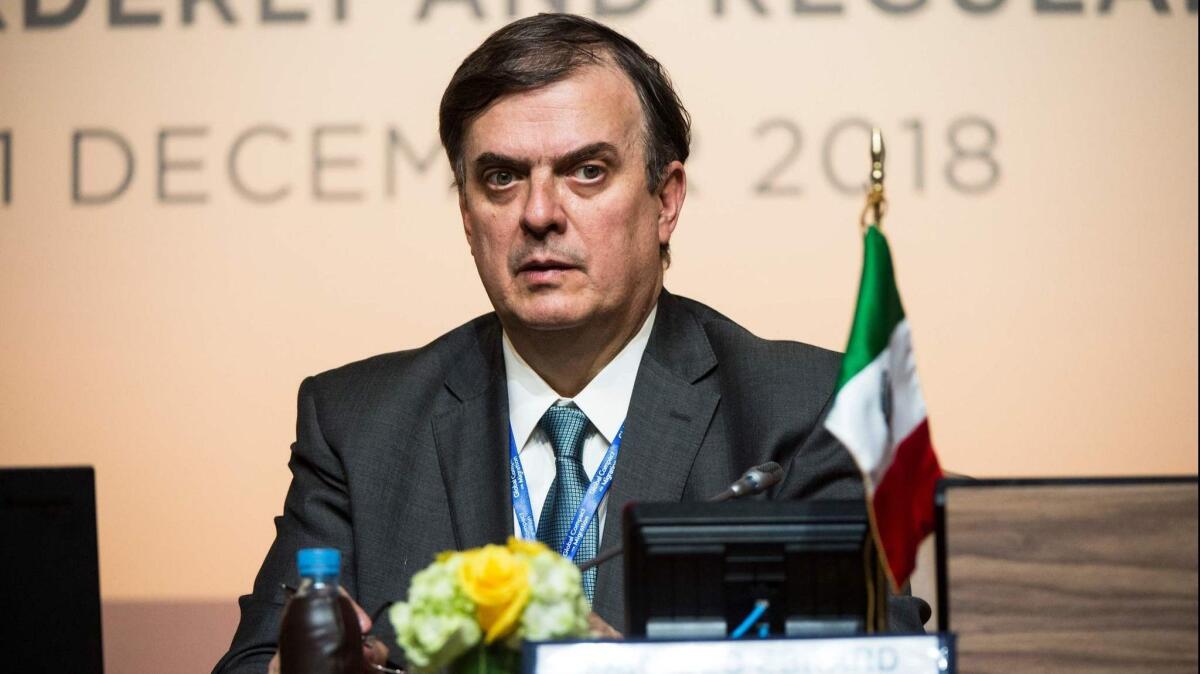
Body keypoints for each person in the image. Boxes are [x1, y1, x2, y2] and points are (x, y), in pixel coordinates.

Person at [214, 13, 925, 673]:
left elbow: (884, 657)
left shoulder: (796, 414)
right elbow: (251, 664)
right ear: (467, 213)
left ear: (666, 200)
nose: (540, 214)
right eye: (501, 177)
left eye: (587, 171)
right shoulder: (359, 423)